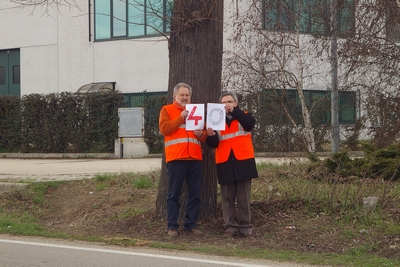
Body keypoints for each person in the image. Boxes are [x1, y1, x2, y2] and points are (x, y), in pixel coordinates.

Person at [206, 91, 258, 238]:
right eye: (223, 102)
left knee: (244, 197)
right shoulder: (215, 119)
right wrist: (210, 135)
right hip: (224, 162)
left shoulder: (244, 115)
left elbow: (249, 124)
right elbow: (213, 143)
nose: (226, 105)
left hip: (243, 161)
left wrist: (234, 112)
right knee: (227, 197)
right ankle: (230, 227)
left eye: (229, 102)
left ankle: (245, 226)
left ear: (236, 103)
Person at [159, 82, 207, 238]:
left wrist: (201, 134)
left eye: (187, 95)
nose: (185, 97)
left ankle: (191, 225)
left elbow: (205, 135)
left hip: (194, 158)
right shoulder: (167, 110)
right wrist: (180, 118)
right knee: (174, 194)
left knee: (195, 194)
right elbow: (165, 129)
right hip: (176, 158)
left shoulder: (196, 111)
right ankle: (172, 226)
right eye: (182, 95)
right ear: (175, 96)